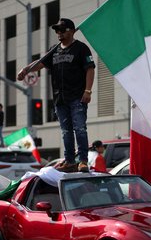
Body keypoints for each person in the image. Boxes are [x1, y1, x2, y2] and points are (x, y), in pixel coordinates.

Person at [17, 18, 95, 173]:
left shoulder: (81, 48)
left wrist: (88, 90)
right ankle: (70, 161)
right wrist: (25, 70)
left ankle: (83, 161)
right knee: (66, 131)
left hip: (77, 97)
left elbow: (90, 69)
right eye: (57, 30)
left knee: (79, 129)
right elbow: (40, 63)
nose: (58, 33)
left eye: (62, 30)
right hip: (60, 98)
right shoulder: (54, 50)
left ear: (71, 31)